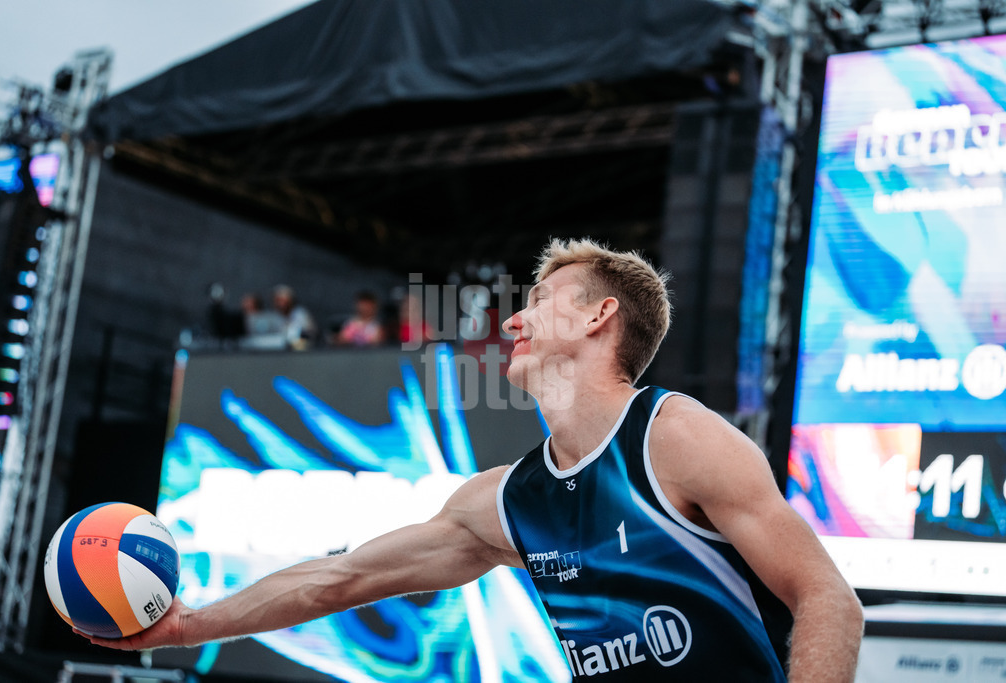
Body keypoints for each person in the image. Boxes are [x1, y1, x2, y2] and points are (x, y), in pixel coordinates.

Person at [79, 238, 863, 681]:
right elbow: (341, 577)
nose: (517, 316)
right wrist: (189, 627)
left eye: (543, 297)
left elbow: (829, 597)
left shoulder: (673, 436)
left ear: (599, 315)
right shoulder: (504, 502)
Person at [272, 284, 318, 351]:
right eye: (277, 300)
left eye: (283, 300)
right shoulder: (273, 317)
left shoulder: (301, 314)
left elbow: (312, 333)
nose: (280, 304)